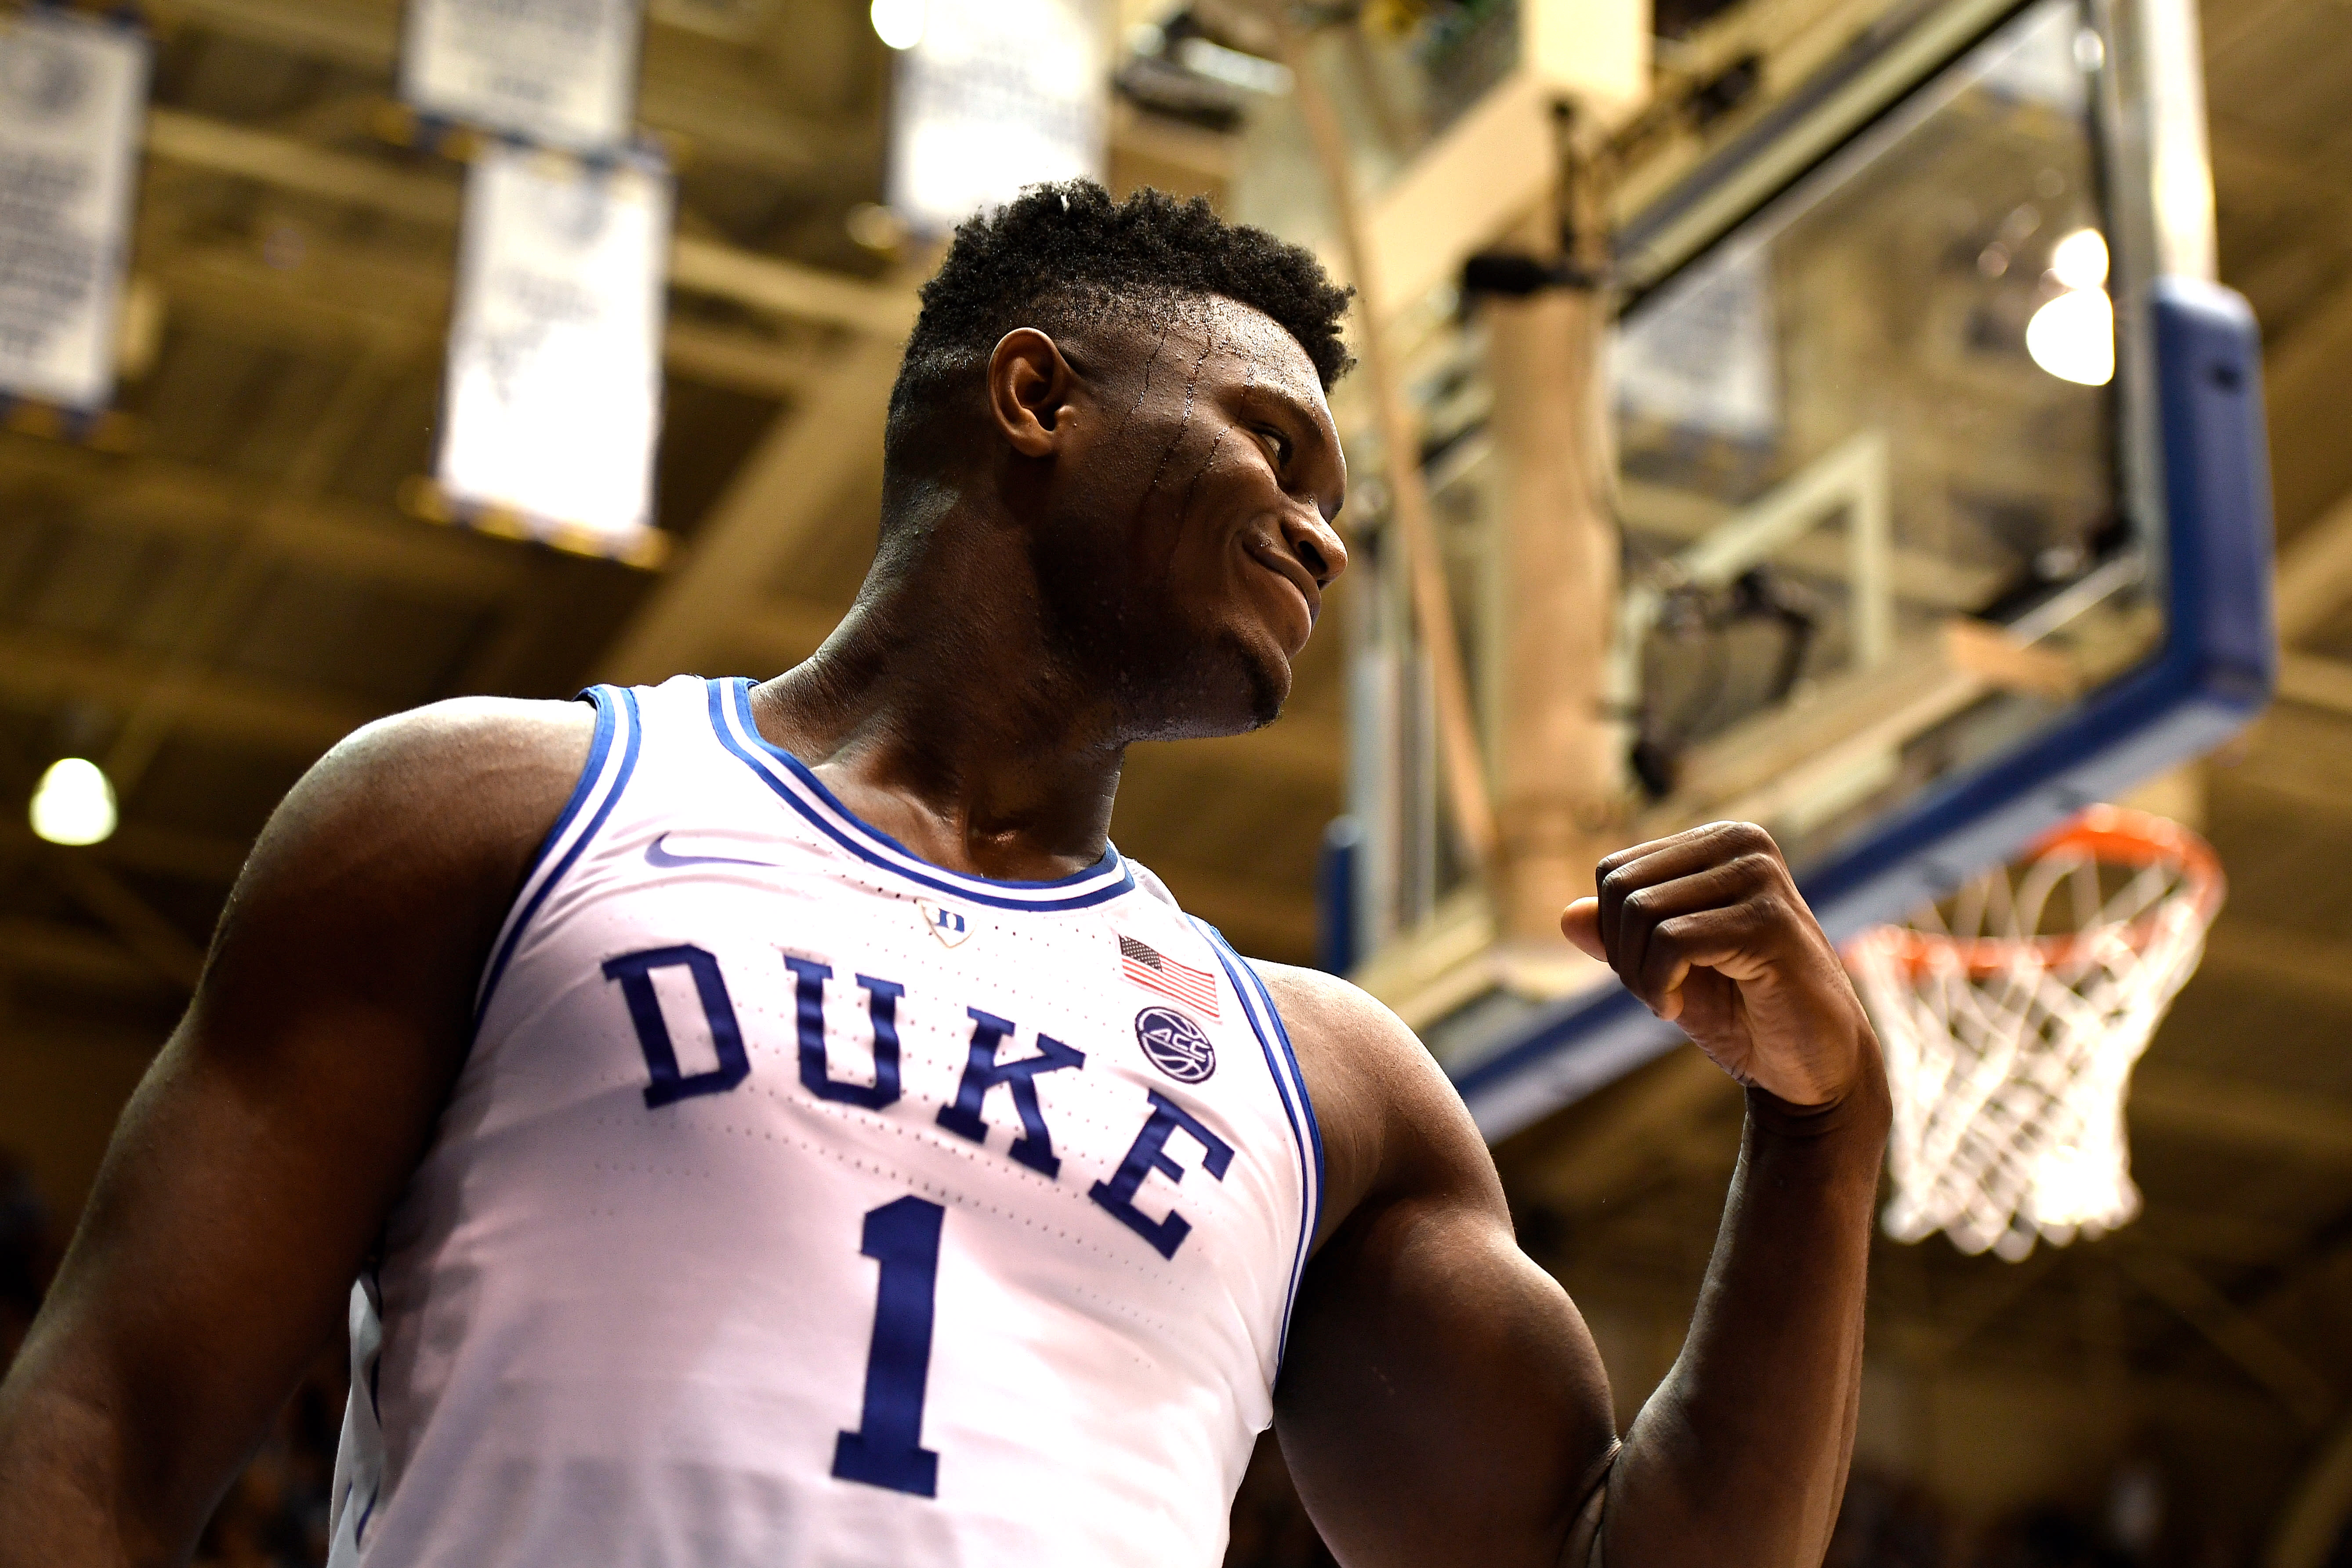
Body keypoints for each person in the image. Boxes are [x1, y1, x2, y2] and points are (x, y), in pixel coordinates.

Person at [0, 183, 1889, 1568]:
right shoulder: (492, 813)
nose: (1322, 526)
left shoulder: (1330, 1087)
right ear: (1038, 396)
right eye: (1275, 443)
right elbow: (110, 1419)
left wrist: (1821, 1130)